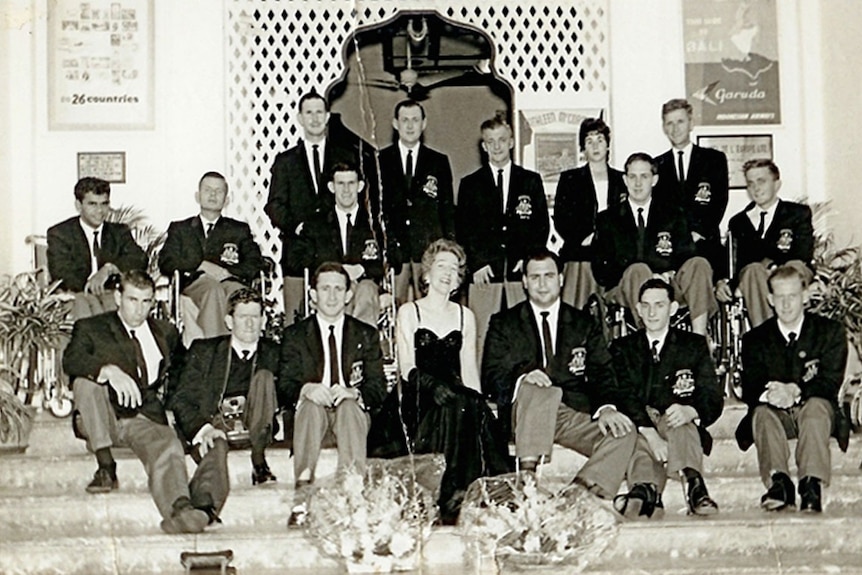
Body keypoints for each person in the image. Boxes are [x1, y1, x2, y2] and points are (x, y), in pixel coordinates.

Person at [483, 248, 662, 519]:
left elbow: (603, 372)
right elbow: (491, 376)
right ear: (524, 282)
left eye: (549, 276)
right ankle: (528, 479)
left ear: (561, 279)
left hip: (570, 413)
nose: (542, 284)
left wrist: (607, 409)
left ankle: (579, 493)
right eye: (535, 277)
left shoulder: (583, 323)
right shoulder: (504, 323)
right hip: (525, 414)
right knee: (536, 388)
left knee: (626, 433)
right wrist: (522, 376)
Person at [63, 270, 211, 534]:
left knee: (167, 444)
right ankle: (105, 465)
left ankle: (180, 509)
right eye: (132, 300)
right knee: (85, 383)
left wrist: (176, 410)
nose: (139, 310)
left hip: (142, 416)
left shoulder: (166, 332)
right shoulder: (92, 328)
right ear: (118, 297)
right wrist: (107, 370)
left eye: (146, 302)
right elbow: (71, 361)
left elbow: (184, 374)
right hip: (102, 415)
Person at [394, 239, 511, 524]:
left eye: (455, 269)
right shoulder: (410, 311)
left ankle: (457, 494)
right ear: (426, 273)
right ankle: (443, 496)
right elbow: (405, 365)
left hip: (455, 393)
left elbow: (469, 369)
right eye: (441, 266)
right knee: (452, 406)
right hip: (420, 391)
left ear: (459, 278)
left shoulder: (465, 316)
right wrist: (431, 386)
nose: (447, 273)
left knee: (465, 406)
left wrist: (481, 405)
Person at [279, 262, 387, 528]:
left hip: (350, 419)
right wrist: (306, 389)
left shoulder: (366, 334)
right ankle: (302, 496)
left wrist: (354, 392)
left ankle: (353, 494)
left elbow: (378, 387)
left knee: (350, 407)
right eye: (325, 289)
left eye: (338, 289)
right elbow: (284, 384)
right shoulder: (295, 335)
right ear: (312, 294)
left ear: (349, 295)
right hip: (311, 418)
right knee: (310, 406)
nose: (331, 296)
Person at [735, 264, 848, 513]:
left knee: (816, 407)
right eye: (780, 297)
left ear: (805, 296)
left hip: (815, 412)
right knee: (761, 413)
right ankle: (779, 483)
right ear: (770, 300)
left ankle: (810, 484)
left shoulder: (830, 332)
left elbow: (830, 382)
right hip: (777, 416)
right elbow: (751, 387)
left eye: (793, 297)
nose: (787, 305)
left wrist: (795, 390)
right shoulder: (754, 339)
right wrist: (773, 395)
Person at [610, 278, 723, 516]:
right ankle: (644, 489)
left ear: (672, 308)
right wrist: (650, 433)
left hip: (676, 419)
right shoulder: (622, 348)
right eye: (646, 306)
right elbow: (624, 394)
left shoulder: (693, 345)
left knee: (681, 423)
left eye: (660, 305)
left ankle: (694, 485)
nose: (652, 312)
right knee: (635, 437)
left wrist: (692, 411)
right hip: (640, 421)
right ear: (638, 309)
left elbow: (712, 394)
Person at [168, 288, 279, 525]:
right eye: (242, 317)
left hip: (258, 425)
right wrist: (204, 428)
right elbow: (181, 398)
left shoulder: (276, 353)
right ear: (229, 321)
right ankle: (204, 509)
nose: (250, 324)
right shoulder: (205, 351)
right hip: (217, 424)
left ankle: (258, 460)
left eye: (255, 317)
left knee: (265, 378)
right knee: (214, 444)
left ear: (264, 320)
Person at [266, 91, 376, 323]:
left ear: (327, 117)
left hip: (335, 248)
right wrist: (298, 227)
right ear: (300, 118)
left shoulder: (344, 155)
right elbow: (274, 205)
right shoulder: (285, 161)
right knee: (296, 321)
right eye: (309, 113)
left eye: (319, 113)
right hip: (298, 251)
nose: (315, 118)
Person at [592, 152, 716, 336]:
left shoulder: (673, 213)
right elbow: (601, 270)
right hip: (625, 287)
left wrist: (668, 273)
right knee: (638, 270)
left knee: (699, 264)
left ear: (655, 180)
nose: (638, 183)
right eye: (632, 177)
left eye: (644, 176)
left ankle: (699, 339)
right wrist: (650, 274)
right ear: (625, 180)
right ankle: (649, 343)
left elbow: (686, 254)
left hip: (668, 285)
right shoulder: (607, 219)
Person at [457, 117, 549, 359]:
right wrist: (477, 263)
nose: (496, 147)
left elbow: (541, 227)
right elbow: (464, 230)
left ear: (511, 142)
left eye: (501, 140)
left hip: (519, 273)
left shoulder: (530, 181)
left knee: (524, 332)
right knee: (482, 335)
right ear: (484, 146)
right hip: (485, 274)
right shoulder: (470, 184)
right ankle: (481, 392)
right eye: (490, 142)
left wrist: (528, 259)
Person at [159, 171, 265, 340]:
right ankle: (216, 349)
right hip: (195, 283)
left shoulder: (238, 229)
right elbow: (166, 261)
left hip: (229, 281)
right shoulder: (181, 229)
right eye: (208, 190)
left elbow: (255, 263)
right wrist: (200, 265)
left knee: (241, 296)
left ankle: (246, 350)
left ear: (227, 199)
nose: (213, 195)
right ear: (197, 196)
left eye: (219, 191)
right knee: (212, 289)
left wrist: (228, 273)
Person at [716, 159, 814, 328]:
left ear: (777, 184)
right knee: (753, 270)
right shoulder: (738, 222)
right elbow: (732, 262)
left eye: (761, 181)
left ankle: (793, 330)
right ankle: (768, 339)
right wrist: (720, 281)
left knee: (793, 267)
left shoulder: (797, 213)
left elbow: (803, 253)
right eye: (750, 183)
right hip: (756, 277)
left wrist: (772, 265)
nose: (756, 188)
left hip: (791, 270)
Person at [379, 99, 456, 304]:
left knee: (431, 305)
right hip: (394, 251)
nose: (410, 126)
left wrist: (447, 248)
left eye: (415, 120)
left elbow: (447, 210)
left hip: (428, 250)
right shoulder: (380, 160)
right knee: (393, 309)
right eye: (405, 120)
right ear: (395, 124)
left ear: (424, 123)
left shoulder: (438, 162)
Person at [295, 162, 384, 327]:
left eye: (351, 183)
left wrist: (361, 269)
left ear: (360, 186)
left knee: (366, 290)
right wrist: (338, 271)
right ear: (331, 187)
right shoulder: (316, 224)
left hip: (363, 285)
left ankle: (359, 344)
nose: (346, 190)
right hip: (330, 285)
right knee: (334, 290)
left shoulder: (375, 224)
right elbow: (305, 261)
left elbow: (390, 260)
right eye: (340, 184)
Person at [47, 177, 147, 319]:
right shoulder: (60, 233)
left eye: (104, 204)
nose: (100, 210)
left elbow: (140, 259)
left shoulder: (119, 232)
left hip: (110, 295)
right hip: (75, 294)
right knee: (87, 313)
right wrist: (91, 284)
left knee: (115, 310)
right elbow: (61, 272)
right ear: (78, 205)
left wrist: (109, 268)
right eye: (92, 204)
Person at [553, 117, 627, 309]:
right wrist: (586, 237)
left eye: (600, 140)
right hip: (580, 255)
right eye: (589, 141)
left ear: (608, 146)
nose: (595, 146)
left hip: (614, 257)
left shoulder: (622, 180)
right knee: (576, 313)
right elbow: (562, 219)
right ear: (582, 148)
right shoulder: (570, 179)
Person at [654, 98, 729, 274]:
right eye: (669, 123)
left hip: (706, 247)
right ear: (664, 128)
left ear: (691, 123)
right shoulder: (657, 164)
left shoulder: (713, 160)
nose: (675, 128)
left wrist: (697, 233)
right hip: (671, 252)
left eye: (680, 121)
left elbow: (719, 202)